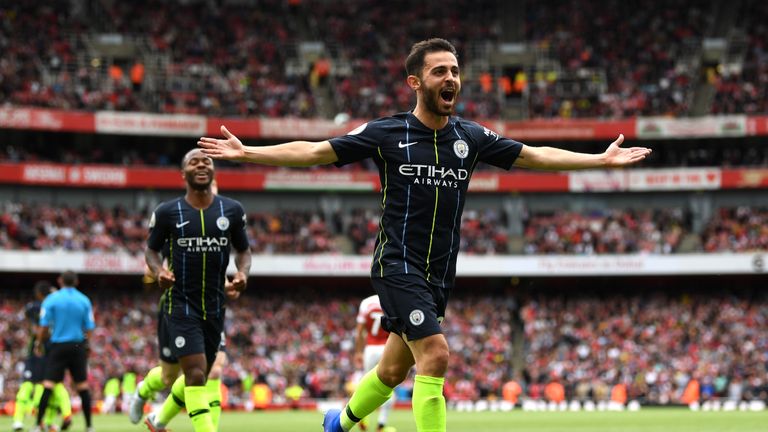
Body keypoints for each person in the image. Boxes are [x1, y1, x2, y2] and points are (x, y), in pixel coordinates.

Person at [197, 37, 651, 432]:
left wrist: (600, 160)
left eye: (454, 70)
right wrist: (248, 152)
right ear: (415, 82)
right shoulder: (387, 132)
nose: (450, 77)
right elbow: (317, 150)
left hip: (439, 275)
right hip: (397, 265)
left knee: (394, 370)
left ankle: (339, 423)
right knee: (435, 354)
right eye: (439, 71)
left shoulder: (470, 137)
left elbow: (532, 156)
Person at [142, 149, 252, 432]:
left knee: (200, 373)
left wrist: (242, 273)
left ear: (214, 172)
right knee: (194, 373)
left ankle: (157, 420)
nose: (201, 164)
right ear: (183, 174)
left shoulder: (232, 210)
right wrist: (159, 272)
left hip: (215, 306)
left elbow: (243, 250)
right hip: (180, 305)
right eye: (194, 161)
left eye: (207, 161)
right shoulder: (168, 212)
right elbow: (151, 250)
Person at [34, 271, 95, 432]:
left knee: (48, 385)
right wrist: (87, 344)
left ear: (60, 281)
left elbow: (44, 326)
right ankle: (89, 426)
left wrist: (39, 343)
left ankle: (37, 426)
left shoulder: (51, 300)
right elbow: (89, 327)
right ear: (76, 281)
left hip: (58, 346)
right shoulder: (84, 300)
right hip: (77, 346)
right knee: (82, 386)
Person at [12, 281, 73, 432]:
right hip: (54, 351)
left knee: (29, 386)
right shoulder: (58, 307)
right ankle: (54, 419)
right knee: (53, 386)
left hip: (37, 352)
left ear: (39, 293)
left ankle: (20, 420)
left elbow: (28, 316)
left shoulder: (35, 307)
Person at [354, 295, 397, 432]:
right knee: (389, 387)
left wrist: (358, 352)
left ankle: (361, 415)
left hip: (370, 349)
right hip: (387, 347)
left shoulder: (366, 302)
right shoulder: (392, 298)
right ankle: (381, 425)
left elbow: (359, 331)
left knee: (367, 384)